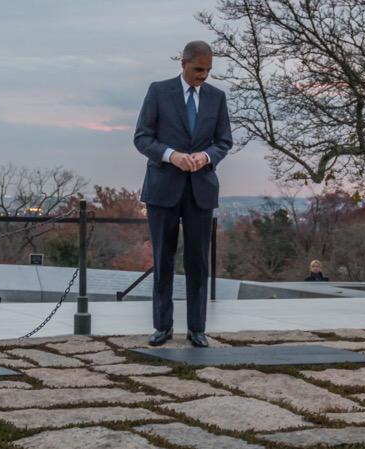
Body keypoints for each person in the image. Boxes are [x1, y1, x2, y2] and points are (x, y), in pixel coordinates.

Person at [134, 40, 232, 348]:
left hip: (200, 190)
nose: (203, 76)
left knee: (198, 262)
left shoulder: (217, 98)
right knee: (164, 259)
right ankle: (162, 327)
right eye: (198, 69)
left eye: (208, 70)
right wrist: (171, 155)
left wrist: (205, 157)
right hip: (163, 188)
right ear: (184, 64)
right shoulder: (158, 91)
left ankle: (197, 329)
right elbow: (142, 137)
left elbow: (223, 141)